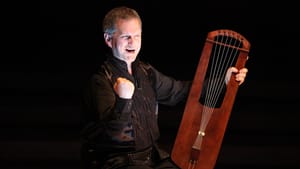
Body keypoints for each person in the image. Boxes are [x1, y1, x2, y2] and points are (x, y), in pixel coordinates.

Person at [80, 6, 248, 169]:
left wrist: (223, 81)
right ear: (108, 39)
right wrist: (123, 100)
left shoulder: (146, 72)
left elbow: (180, 91)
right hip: (119, 162)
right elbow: (114, 137)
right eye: (126, 36)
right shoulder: (100, 80)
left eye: (137, 36)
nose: (132, 42)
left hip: (152, 158)